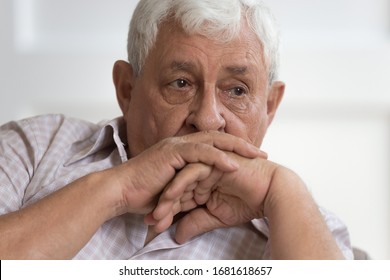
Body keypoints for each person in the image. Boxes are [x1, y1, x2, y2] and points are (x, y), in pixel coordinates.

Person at [0, 0, 353, 259]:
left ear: (269, 107)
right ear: (127, 89)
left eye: (236, 90)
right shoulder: (34, 147)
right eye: (181, 82)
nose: (208, 118)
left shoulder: (304, 222)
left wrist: (282, 188)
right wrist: (117, 188)